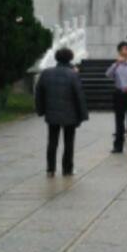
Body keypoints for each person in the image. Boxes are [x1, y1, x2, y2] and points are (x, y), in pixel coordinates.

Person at [34, 47, 88, 176]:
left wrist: (41, 110)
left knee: (52, 141)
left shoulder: (46, 73)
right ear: (70, 58)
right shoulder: (73, 74)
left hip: (52, 112)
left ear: (56, 58)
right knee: (69, 142)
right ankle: (67, 169)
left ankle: (50, 169)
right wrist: (82, 115)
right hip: (70, 113)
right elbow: (79, 95)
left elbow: (39, 93)